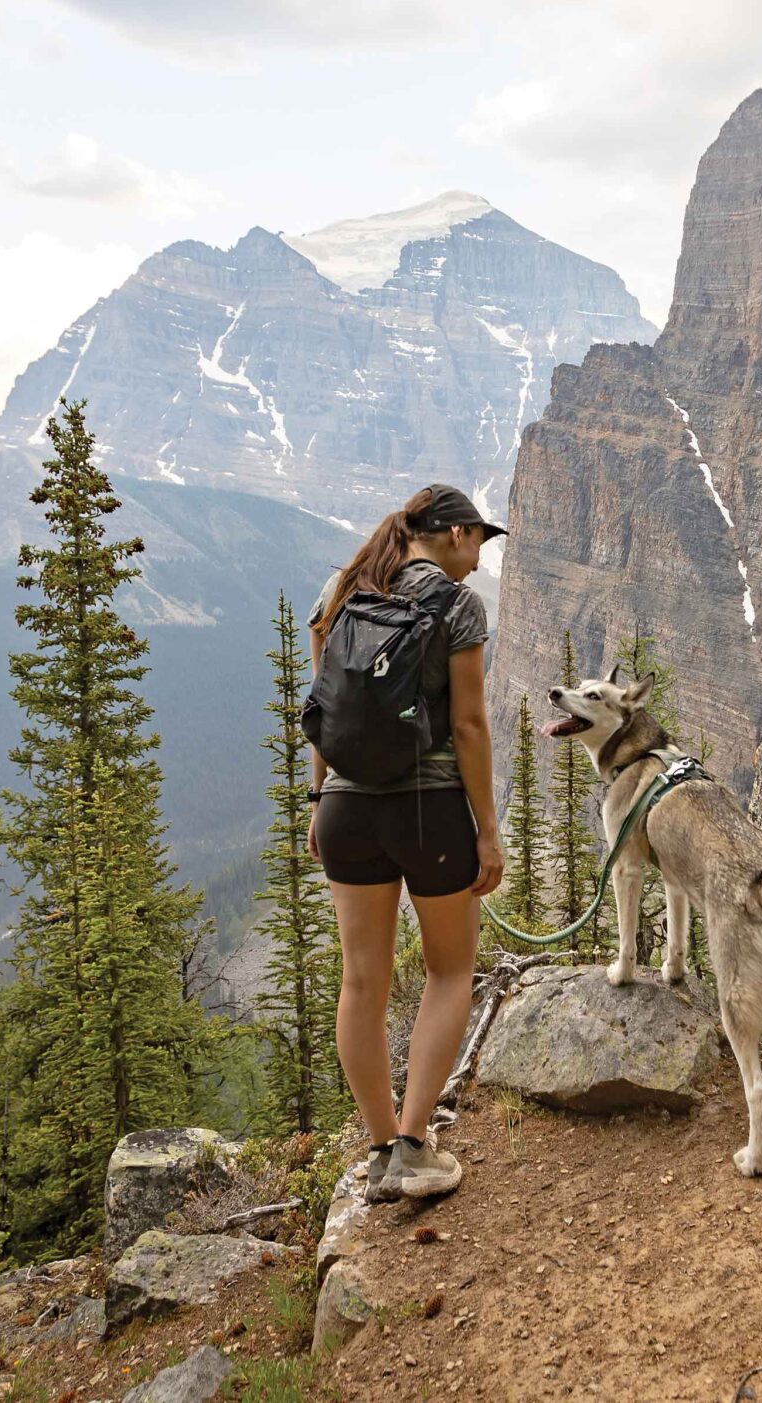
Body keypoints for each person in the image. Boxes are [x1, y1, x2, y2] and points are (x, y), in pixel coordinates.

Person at [308, 482, 506, 1201]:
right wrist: (487, 830)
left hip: (345, 809)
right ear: (454, 533)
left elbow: (323, 705)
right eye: (479, 542)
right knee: (450, 972)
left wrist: (318, 797)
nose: (479, 560)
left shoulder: (343, 587)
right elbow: (470, 726)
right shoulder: (458, 606)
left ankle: (379, 1146)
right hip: (429, 812)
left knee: (361, 980)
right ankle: (415, 1147)